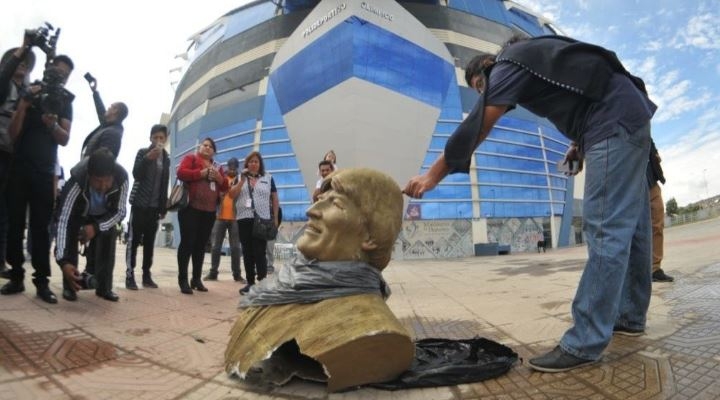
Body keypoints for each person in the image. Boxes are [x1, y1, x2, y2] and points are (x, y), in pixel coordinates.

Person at [404, 35, 656, 372]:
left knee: (605, 230)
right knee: (635, 229)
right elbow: (587, 92)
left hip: (612, 123)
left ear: (488, 69)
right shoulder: (536, 59)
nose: (483, 93)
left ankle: (584, 341)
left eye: (480, 85)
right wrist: (579, 144)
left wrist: (433, 176)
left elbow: (477, 125)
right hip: (629, 119)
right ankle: (630, 314)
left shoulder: (509, 63)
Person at [225, 168, 411, 391]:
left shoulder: (379, 331)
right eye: (320, 200)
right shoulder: (288, 288)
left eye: (335, 204)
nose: (311, 210)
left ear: (370, 237)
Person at [0, 54, 74, 304]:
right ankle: (17, 276)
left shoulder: (65, 100)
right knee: (14, 224)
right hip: (19, 167)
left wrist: (51, 125)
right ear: (49, 68)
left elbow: (65, 138)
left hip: (45, 172)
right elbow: (12, 134)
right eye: (57, 71)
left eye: (64, 75)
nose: (59, 76)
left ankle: (42, 282)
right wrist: (23, 104)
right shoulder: (29, 92)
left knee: (41, 229)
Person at [55, 148, 128, 302]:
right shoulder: (77, 180)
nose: (102, 187)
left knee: (109, 233)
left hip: (103, 217)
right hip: (79, 215)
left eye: (107, 181)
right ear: (89, 175)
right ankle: (70, 286)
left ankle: (104, 287)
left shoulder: (122, 177)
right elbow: (63, 220)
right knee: (70, 233)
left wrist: (95, 227)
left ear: (113, 176)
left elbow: (120, 212)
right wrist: (63, 261)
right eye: (97, 181)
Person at [0, 37, 36, 278]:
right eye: (18, 61)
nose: (22, 64)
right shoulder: (3, 85)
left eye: (26, 62)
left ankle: (2, 260)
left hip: (15, 158)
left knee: (7, 212)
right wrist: (23, 48)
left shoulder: (28, 93)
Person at [175, 138, 228, 294]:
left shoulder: (218, 167)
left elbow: (225, 186)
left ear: (214, 151)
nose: (207, 148)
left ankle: (196, 279)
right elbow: (180, 173)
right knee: (187, 243)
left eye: (211, 147)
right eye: (205, 145)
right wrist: (201, 173)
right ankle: (183, 279)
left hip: (209, 212)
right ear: (200, 147)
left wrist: (219, 178)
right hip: (190, 208)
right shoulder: (191, 159)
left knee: (201, 246)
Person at [125, 124, 170, 290]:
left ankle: (146, 275)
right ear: (150, 138)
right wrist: (147, 159)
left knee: (149, 243)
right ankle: (130, 275)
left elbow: (164, 183)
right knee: (134, 241)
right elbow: (136, 174)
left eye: (161, 138)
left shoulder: (167, 158)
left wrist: (163, 207)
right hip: (139, 204)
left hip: (154, 208)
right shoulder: (142, 152)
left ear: (165, 140)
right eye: (155, 137)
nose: (158, 140)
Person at [234, 151, 279, 294]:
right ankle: (250, 283)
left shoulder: (268, 177)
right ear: (246, 164)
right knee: (247, 252)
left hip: (262, 219)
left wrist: (276, 218)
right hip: (244, 218)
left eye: (256, 162)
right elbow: (231, 195)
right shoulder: (239, 177)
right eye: (251, 161)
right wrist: (241, 180)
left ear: (260, 164)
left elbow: (275, 199)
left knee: (260, 251)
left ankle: (263, 282)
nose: (253, 164)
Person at [205, 157, 244, 282]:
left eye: (234, 167)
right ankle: (213, 273)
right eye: (230, 166)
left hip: (235, 218)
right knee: (216, 246)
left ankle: (237, 274)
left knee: (235, 248)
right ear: (227, 166)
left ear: (237, 167)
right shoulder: (220, 178)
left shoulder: (241, 180)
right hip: (219, 216)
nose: (232, 169)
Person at [80, 74, 128, 159]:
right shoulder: (107, 126)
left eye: (111, 106)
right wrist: (95, 92)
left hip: (91, 171)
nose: (108, 108)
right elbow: (101, 110)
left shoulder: (113, 133)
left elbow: (104, 161)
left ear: (115, 110)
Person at [647, 140, 673, 283]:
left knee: (657, 223)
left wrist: (655, 153)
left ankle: (655, 269)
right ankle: (633, 271)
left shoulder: (642, 121)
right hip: (629, 183)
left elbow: (650, 141)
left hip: (650, 181)